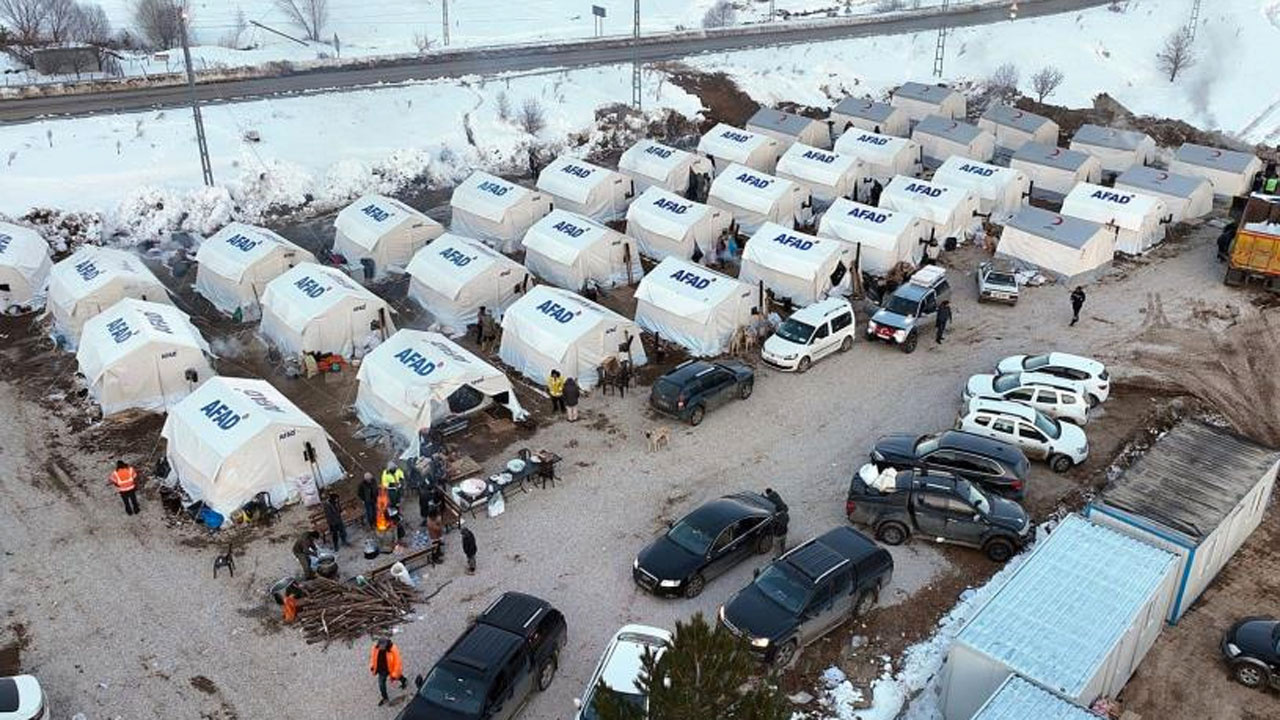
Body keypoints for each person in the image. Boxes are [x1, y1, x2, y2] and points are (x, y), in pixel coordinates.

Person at [369, 637, 406, 706]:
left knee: (398, 676)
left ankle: (404, 681)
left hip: (391, 669)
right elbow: (372, 657)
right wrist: (372, 666)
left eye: (383, 646)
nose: (381, 648)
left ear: (386, 645)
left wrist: (394, 673)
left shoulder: (393, 649)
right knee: (381, 684)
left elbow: (397, 662)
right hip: (381, 670)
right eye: (380, 646)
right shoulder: (375, 648)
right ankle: (385, 698)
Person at [763, 488, 789, 557]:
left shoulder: (775, 519)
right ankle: (784, 553)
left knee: (777, 547)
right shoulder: (785, 515)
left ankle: (778, 557)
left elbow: (772, 526)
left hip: (778, 535)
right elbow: (787, 520)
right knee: (783, 544)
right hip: (785, 532)